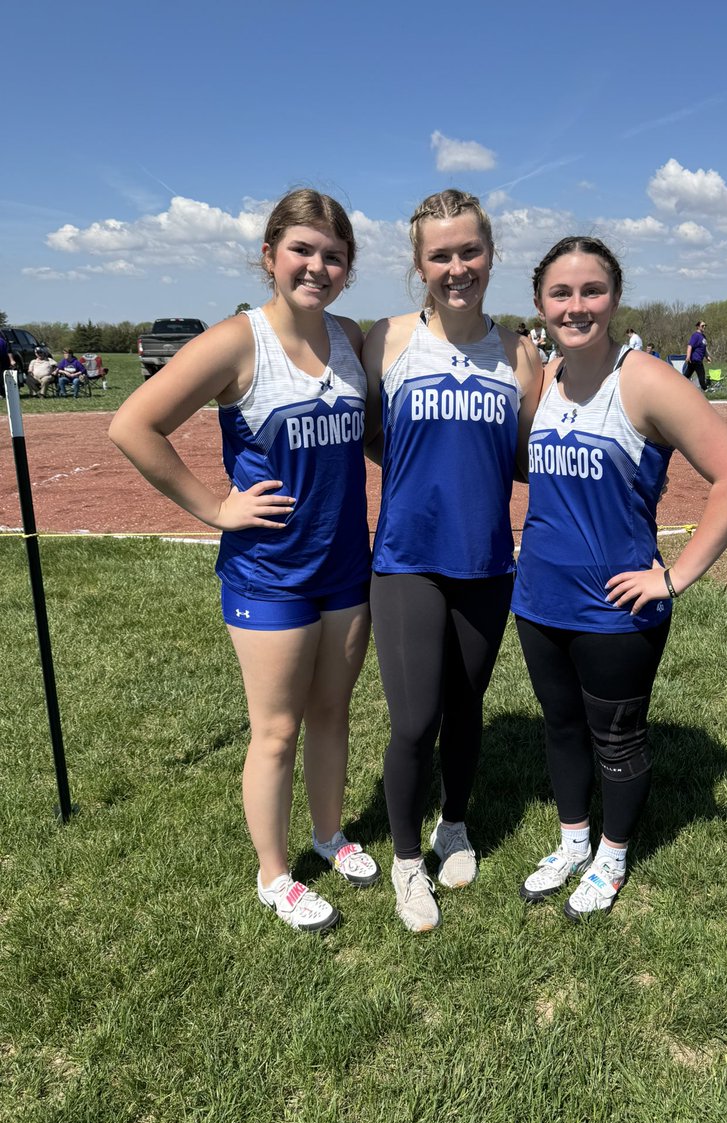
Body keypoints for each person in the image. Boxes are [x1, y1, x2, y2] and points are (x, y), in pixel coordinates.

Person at [109, 189, 378, 934]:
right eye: (301, 249)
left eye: (332, 254)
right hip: (270, 574)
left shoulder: (353, 338)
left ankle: (330, 833)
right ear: (269, 256)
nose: (316, 265)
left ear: (348, 267)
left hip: (346, 568)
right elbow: (133, 424)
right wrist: (215, 508)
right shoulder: (237, 341)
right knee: (277, 730)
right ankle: (275, 875)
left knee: (333, 712)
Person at [512, 236, 727, 921]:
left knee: (615, 737)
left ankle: (612, 856)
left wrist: (674, 577)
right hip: (537, 596)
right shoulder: (545, 381)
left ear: (615, 298)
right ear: (540, 303)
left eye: (591, 290)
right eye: (560, 293)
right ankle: (572, 841)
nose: (576, 305)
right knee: (560, 727)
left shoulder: (645, 379)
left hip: (617, 608)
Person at [363, 189, 542, 933]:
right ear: (419, 264)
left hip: (486, 561)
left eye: (470, 251)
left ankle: (455, 824)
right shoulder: (387, 340)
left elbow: (532, 456)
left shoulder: (522, 354)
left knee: (466, 708)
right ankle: (408, 862)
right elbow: (374, 437)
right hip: (406, 560)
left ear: (491, 255)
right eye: (441, 254)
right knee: (414, 720)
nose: (457, 266)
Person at [683, 321, 710, 389]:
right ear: (698, 326)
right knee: (701, 376)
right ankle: (705, 389)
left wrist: (707, 356)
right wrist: (688, 356)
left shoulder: (703, 336)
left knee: (686, 375)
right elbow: (690, 346)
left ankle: (679, 385)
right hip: (695, 359)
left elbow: (704, 348)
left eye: (705, 326)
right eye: (702, 326)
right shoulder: (695, 335)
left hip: (697, 360)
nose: (704, 327)